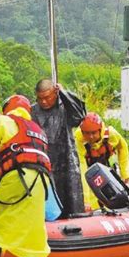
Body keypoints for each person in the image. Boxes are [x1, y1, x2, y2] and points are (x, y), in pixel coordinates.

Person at [0, 94, 52, 257]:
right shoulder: (38, 129)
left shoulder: (1, 122)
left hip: (17, 177)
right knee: (31, 237)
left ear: (7, 108)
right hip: (41, 183)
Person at [31, 79, 86, 217]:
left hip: (66, 161)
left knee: (72, 202)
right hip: (43, 163)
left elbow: (80, 116)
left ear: (55, 93)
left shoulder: (66, 107)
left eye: (47, 97)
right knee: (46, 202)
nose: (43, 102)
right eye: (40, 98)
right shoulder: (31, 111)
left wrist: (64, 93)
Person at [75, 112, 129, 211]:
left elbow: (123, 147)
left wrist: (125, 173)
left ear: (100, 129)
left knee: (113, 193)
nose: (91, 137)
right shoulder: (79, 139)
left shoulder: (111, 134)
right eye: (87, 133)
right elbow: (82, 166)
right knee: (92, 198)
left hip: (108, 170)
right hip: (90, 173)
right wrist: (86, 201)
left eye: (93, 133)